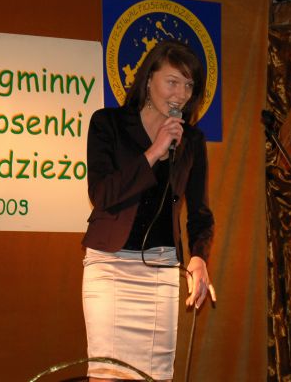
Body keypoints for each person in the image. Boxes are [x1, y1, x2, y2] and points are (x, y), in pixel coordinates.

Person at [81, 39, 216, 381]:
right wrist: (155, 151)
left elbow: (199, 212)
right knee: (107, 374)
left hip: (161, 269)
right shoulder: (108, 124)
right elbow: (102, 194)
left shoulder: (192, 141)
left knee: (156, 376)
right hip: (110, 266)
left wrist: (199, 257)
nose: (181, 94)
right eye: (173, 81)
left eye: (189, 86)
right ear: (149, 79)